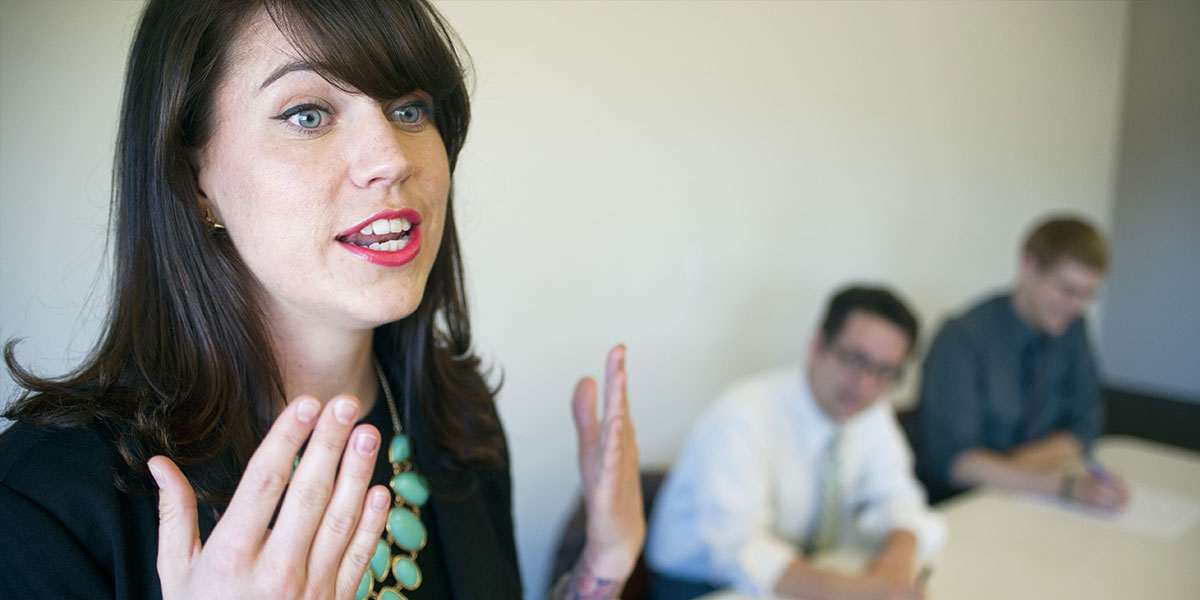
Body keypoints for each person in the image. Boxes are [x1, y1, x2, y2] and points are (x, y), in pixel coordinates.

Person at [0, 1, 644, 599]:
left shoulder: (456, 422)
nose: (391, 158)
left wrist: (600, 568)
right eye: (308, 114)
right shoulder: (43, 503)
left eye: (410, 109)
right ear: (194, 176)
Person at [646, 286, 945, 600]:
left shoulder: (869, 413)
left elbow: (898, 496)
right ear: (817, 346)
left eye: (885, 372)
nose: (866, 384)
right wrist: (856, 592)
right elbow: (737, 549)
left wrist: (895, 562)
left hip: (801, 574)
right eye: (855, 359)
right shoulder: (741, 416)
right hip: (702, 586)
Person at [909, 216, 1129, 509]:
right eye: (1067, 289)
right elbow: (954, 463)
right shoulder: (962, 337)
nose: (1077, 306)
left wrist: (1010, 471)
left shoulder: (1072, 329)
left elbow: (1084, 427)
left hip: (1033, 496)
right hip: (965, 507)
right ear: (1029, 268)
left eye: (1088, 294)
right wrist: (1062, 486)